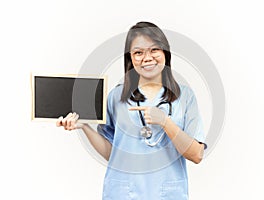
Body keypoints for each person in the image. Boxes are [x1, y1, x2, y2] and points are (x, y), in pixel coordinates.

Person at [56, 21, 207, 200]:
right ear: (130, 59)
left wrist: (165, 122)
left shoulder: (184, 96)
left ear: (165, 52)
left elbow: (196, 155)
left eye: (154, 50)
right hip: (123, 194)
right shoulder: (116, 96)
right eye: (138, 53)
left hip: (166, 193)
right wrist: (85, 127)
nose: (147, 58)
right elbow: (114, 155)